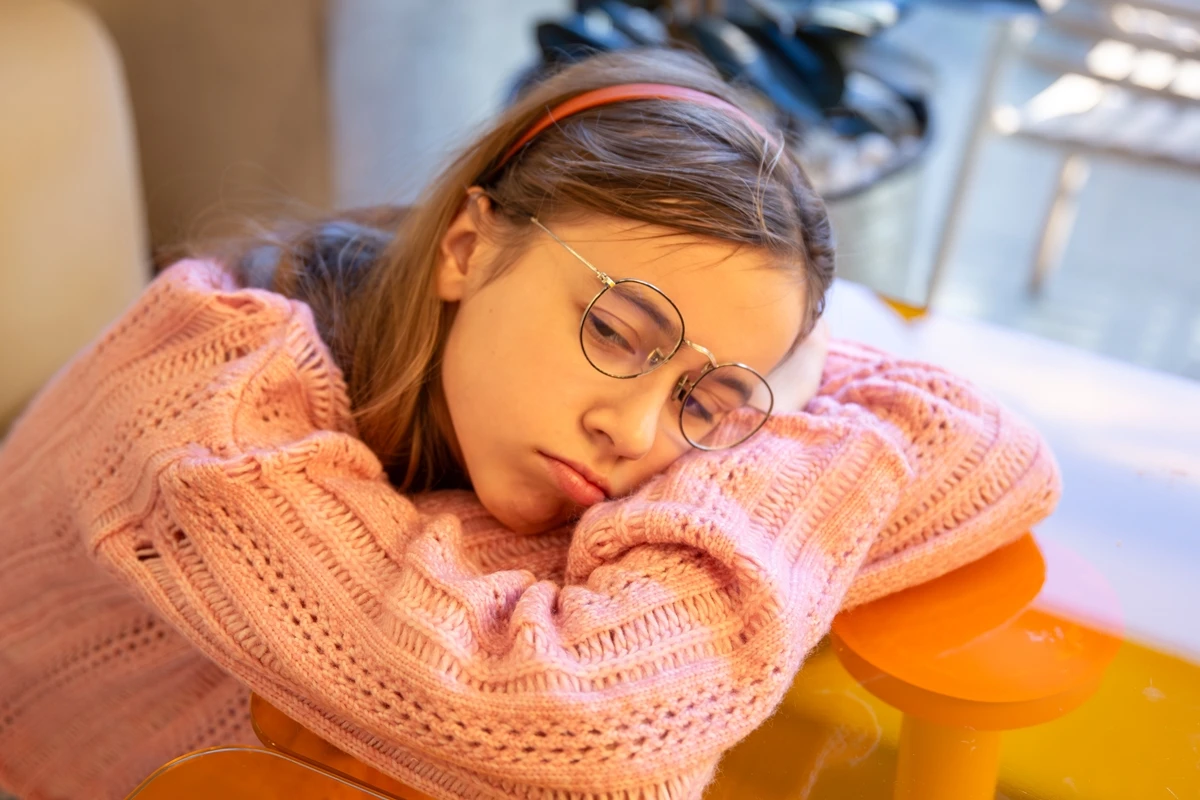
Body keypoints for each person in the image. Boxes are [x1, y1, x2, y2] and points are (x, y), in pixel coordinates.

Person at [0, 51, 1059, 800]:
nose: (637, 428)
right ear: (467, 243)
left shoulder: (492, 393)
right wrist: (778, 462)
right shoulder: (212, 413)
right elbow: (591, 725)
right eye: (620, 328)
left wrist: (767, 415)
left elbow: (980, 441)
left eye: (703, 399)